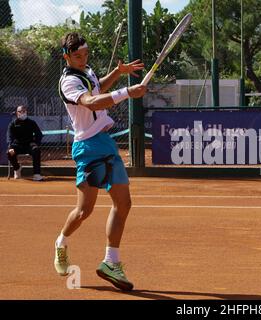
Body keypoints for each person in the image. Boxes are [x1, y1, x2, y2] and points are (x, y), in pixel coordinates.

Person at [54, 32, 147, 291]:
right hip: (87, 147)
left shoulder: (88, 71)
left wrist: (118, 73)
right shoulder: (68, 82)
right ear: (66, 57)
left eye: (85, 54)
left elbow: (98, 88)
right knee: (85, 210)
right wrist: (127, 91)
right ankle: (61, 242)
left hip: (105, 142)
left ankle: (111, 261)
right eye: (77, 56)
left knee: (124, 202)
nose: (83, 60)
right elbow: (92, 103)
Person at [7, 105, 44, 181]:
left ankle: (37, 174)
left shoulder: (32, 123)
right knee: (9, 152)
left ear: (26, 112)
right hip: (17, 145)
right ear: (17, 113)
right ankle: (17, 169)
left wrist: (36, 143)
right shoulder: (13, 124)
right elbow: (9, 136)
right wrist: (10, 147)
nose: (22, 113)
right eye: (20, 111)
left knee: (36, 150)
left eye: (24, 111)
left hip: (29, 145)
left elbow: (39, 134)